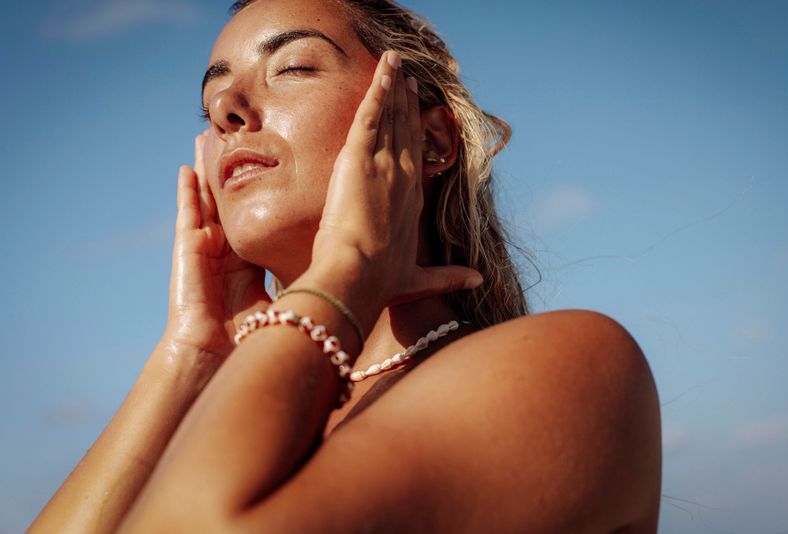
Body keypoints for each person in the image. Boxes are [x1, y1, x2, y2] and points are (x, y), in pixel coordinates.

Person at [30, 0, 662, 532]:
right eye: (211, 100)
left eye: (292, 67)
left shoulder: (567, 366)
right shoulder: (224, 429)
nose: (228, 109)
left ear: (431, 141)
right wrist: (189, 355)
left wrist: (348, 267)